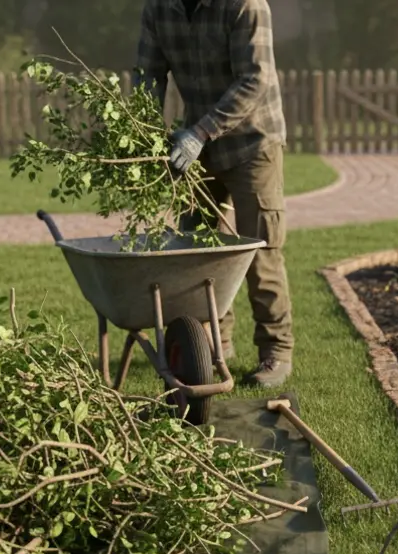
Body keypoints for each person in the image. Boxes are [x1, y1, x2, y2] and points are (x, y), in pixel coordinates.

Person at [134, 0, 293, 388]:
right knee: (198, 249)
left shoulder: (245, 6)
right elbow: (148, 75)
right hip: (197, 147)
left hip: (252, 142)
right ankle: (214, 342)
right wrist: (144, 130)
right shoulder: (159, 8)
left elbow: (254, 79)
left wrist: (200, 132)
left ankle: (276, 350)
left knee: (259, 247)